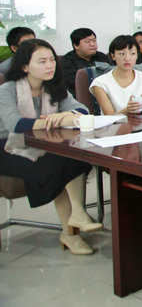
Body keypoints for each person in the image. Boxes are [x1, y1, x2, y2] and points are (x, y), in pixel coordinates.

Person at [0, 39, 102, 255]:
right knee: (59, 161)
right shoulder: (7, 90)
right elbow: (15, 124)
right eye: (42, 61)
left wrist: (66, 116)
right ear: (24, 66)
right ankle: (72, 229)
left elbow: (81, 111)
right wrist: (55, 120)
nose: (50, 65)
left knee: (71, 155)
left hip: (43, 145)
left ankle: (75, 220)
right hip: (8, 148)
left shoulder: (54, 88)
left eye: (52, 60)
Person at [90, 35, 142, 115]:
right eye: (122, 54)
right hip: (113, 123)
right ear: (113, 56)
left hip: (140, 122)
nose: (127, 58)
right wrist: (126, 110)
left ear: (137, 56)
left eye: (132, 53)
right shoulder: (100, 83)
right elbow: (108, 116)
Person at [60, 28, 113, 96]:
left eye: (94, 41)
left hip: (105, 94)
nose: (92, 44)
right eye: (87, 42)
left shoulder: (102, 57)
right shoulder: (67, 61)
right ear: (76, 45)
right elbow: (75, 83)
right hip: (79, 96)